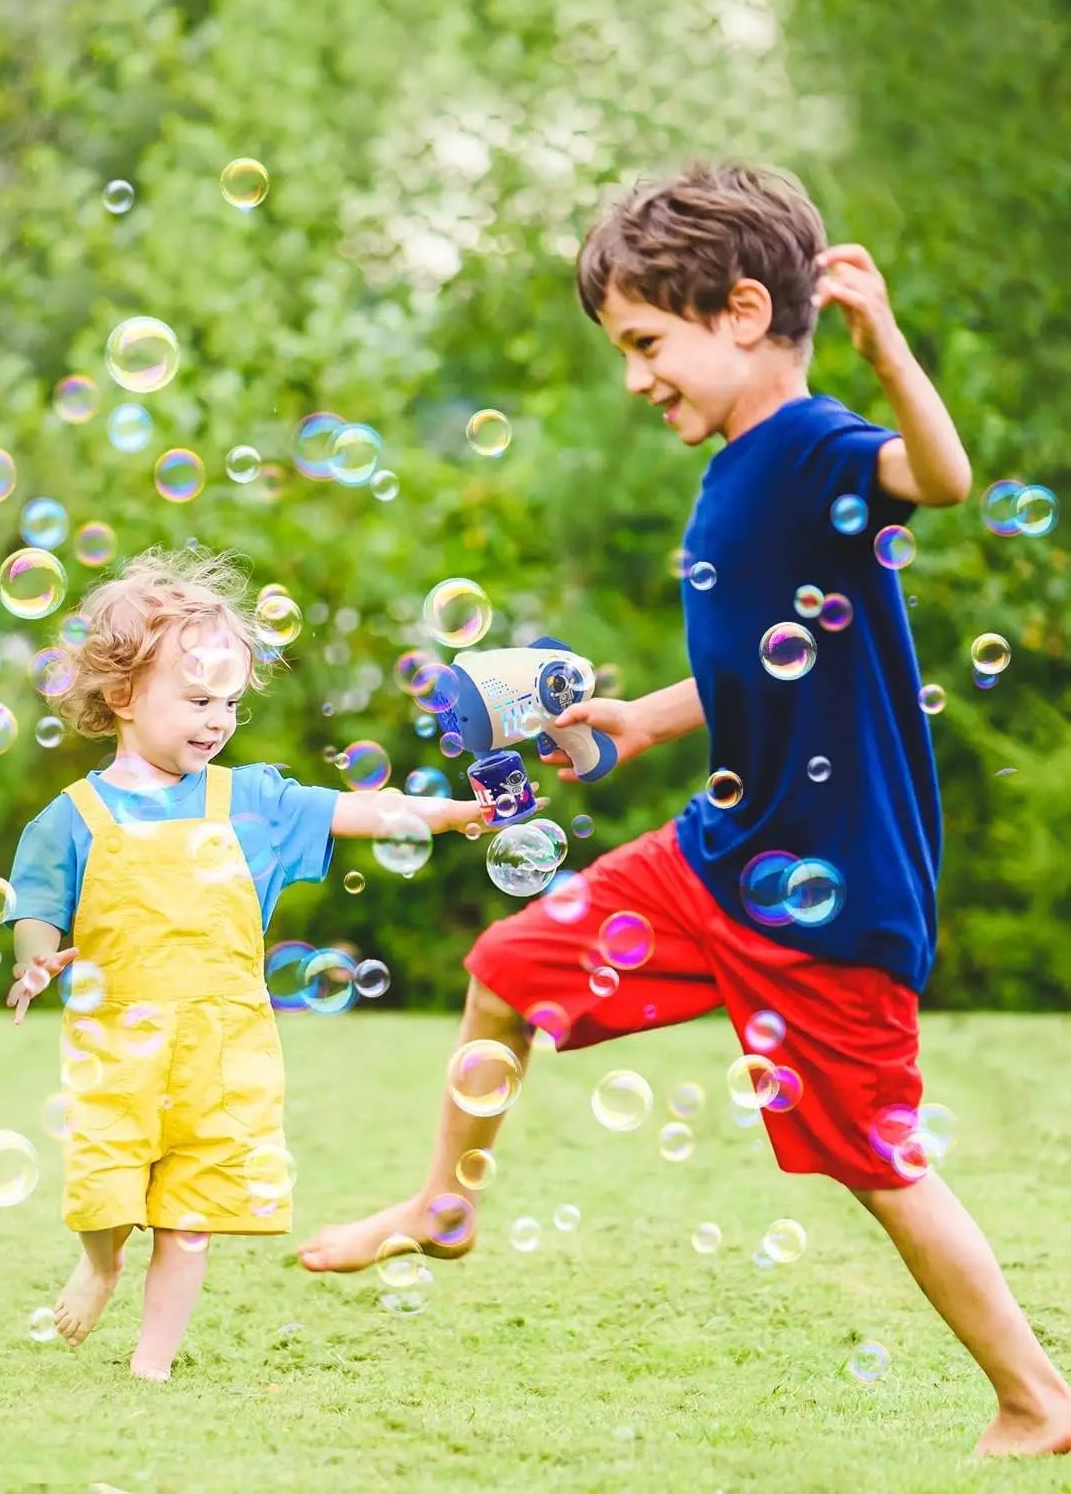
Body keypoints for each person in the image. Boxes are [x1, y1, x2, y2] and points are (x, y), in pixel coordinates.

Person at [297, 160, 1071, 1458]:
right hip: (725, 853)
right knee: (509, 968)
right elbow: (766, 659)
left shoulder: (814, 447)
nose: (634, 377)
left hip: (830, 889)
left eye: (647, 343)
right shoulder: (737, 470)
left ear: (746, 314)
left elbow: (938, 478)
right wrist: (646, 719)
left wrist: (885, 347)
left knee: (876, 1161)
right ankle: (444, 1204)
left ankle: (1038, 1401)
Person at [3, 547, 486, 1382]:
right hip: (117, 1047)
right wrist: (35, 960)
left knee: (192, 1214)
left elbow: (366, 810)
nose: (217, 720)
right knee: (103, 1184)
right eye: (197, 700)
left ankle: (151, 1362)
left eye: (229, 702)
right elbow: (36, 903)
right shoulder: (73, 816)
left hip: (223, 1052)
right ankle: (100, 1262)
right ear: (122, 696)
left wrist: (455, 812)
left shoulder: (250, 800)